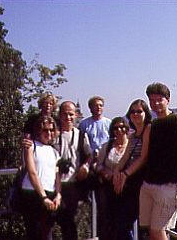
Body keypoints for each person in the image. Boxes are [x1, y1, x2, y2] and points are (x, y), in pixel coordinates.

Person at [116, 83, 177, 240]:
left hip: (169, 185)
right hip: (150, 184)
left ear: (168, 100)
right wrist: (123, 173)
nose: (155, 104)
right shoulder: (153, 125)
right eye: (152, 100)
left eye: (159, 100)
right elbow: (143, 156)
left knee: (157, 231)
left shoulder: (176, 119)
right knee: (153, 232)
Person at [112, 99, 152, 240]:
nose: (135, 114)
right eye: (133, 111)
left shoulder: (148, 129)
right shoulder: (133, 135)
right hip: (132, 183)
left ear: (146, 113)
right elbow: (125, 158)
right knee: (122, 223)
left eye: (139, 111)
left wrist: (124, 175)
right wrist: (117, 172)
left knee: (125, 223)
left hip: (142, 183)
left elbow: (143, 157)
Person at [54, 101, 92, 240]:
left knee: (71, 223)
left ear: (75, 115)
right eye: (64, 114)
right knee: (54, 222)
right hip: (55, 184)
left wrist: (86, 166)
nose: (68, 117)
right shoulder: (53, 134)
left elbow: (89, 155)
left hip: (73, 185)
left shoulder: (81, 135)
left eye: (71, 114)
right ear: (59, 115)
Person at [20, 115, 61, 240]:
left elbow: (57, 174)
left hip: (49, 194)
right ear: (38, 131)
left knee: (47, 233)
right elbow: (32, 172)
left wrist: (58, 195)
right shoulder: (31, 146)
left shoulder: (53, 151)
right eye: (45, 130)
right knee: (34, 233)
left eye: (51, 130)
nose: (48, 133)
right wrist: (43, 197)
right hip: (33, 194)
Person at [78, 96, 111, 239]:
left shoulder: (109, 123)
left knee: (104, 205)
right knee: (86, 203)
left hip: (105, 165)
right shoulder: (84, 124)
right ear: (90, 108)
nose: (98, 107)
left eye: (101, 105)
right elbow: (80, 146)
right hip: (90, 165)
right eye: (95, 105)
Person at [96, 117, 130, 240]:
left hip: (126, 189)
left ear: (126, 128)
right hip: (108, 189)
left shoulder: (131, 145)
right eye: (115, 128)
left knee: (124, 224)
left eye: (122, 127)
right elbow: (99, 165)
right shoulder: (107, 145)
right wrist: (104, 172)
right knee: (109, 222)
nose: (119, 130)